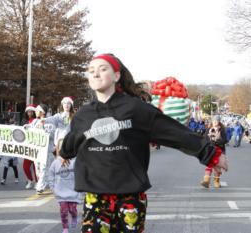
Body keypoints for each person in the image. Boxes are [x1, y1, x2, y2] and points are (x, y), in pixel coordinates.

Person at [60, 53, 228, 233]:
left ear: (116, 76)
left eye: (102, 69)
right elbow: (70, 144)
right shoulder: (83, 115)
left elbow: (174, 132)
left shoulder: (136, 109)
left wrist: (211, 154)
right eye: (91, 70)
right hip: (95, 197)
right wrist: (63, 151)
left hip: (130, 196)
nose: (95, 74)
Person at [49, 138, 82, 233]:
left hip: (72, 192)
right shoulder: (55, 163)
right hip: (61, 193)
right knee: (63, 212)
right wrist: (52, 187)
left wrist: (80, 189)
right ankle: (65, 228)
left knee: (72, 210)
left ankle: (74, 217)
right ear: (58, 150)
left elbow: (79, 174)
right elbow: (51, 175)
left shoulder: (74, 161)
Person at [200, 115, 227, 188]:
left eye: (217, 121)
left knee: (217, 167)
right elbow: (205, 139)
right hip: (210, 150)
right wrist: (208, 143)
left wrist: (216, 141)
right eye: (214, 121)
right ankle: (206, 181)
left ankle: (216, 181)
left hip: (219, 150)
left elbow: (225, 140)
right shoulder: (209, 129)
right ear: (212, 121)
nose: (215, 122)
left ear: (219, 122)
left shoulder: (222, 130)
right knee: (209, 165)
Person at [21, 104, 38, 189]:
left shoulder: (37, 120)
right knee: (25, 167)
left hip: (35, 146)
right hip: (27, 147)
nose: (29, 113)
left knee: (36, 167)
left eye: (31, 111)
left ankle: (37, 182)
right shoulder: (24, 121)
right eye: (28, 111)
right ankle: (30, 180)